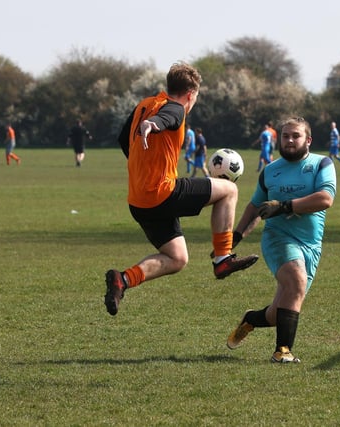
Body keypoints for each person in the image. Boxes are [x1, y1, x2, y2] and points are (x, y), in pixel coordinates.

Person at [104, 62, 259, 316]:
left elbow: (124, 139)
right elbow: (169, 117)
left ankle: (123, 280)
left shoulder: (143, 105)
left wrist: (145, 160)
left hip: (139, 201)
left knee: (177, 258)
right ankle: (223, 259)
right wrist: (153, 125)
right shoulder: (175, 108)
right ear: (191, 94)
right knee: (229, 191)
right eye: (195, 97)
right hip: (163, 193)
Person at [225, 116, 336, 363]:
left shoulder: (322, 164)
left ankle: (251, 319)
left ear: (308, 140)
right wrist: (234, 239)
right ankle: (282, 352)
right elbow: (255, 208)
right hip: (278, 238)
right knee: (295, 282)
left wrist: (285, 205)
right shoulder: (270, 171)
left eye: (295, 136)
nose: (289, 140)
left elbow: (325, 199)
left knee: (280, 310)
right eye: (285, 136)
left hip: (311, 244)